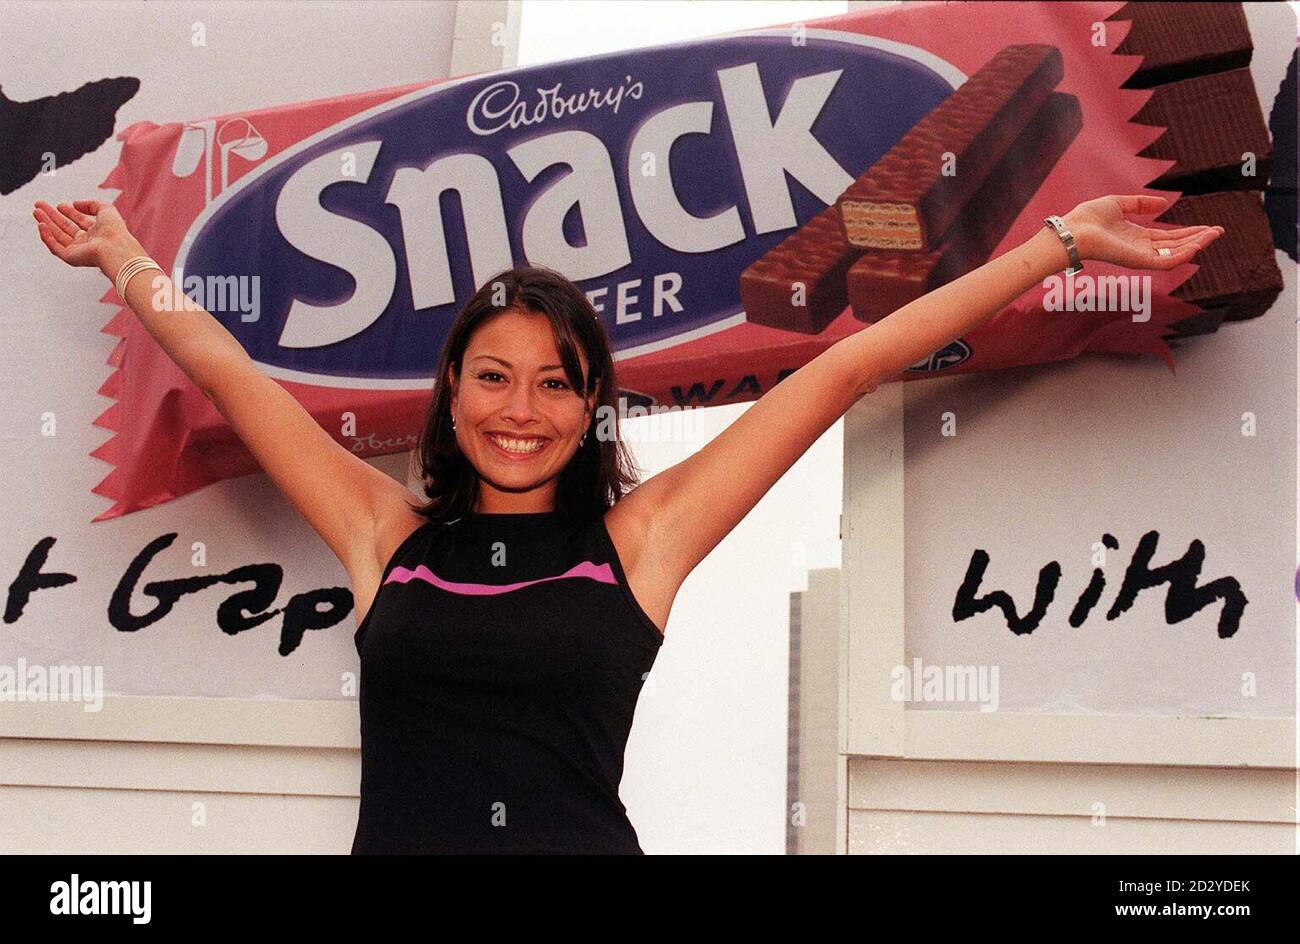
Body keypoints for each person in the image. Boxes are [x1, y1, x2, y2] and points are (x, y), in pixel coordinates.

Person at [34, 194, 1222, 853]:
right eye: (493, 376)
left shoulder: (640, 543)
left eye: (556, 381)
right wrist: (125, 254)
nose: (521, 409)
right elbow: (228, 366)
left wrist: (1058, 244)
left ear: (591, 403)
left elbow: (848, 365)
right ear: (452, 393)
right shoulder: (381, 534)